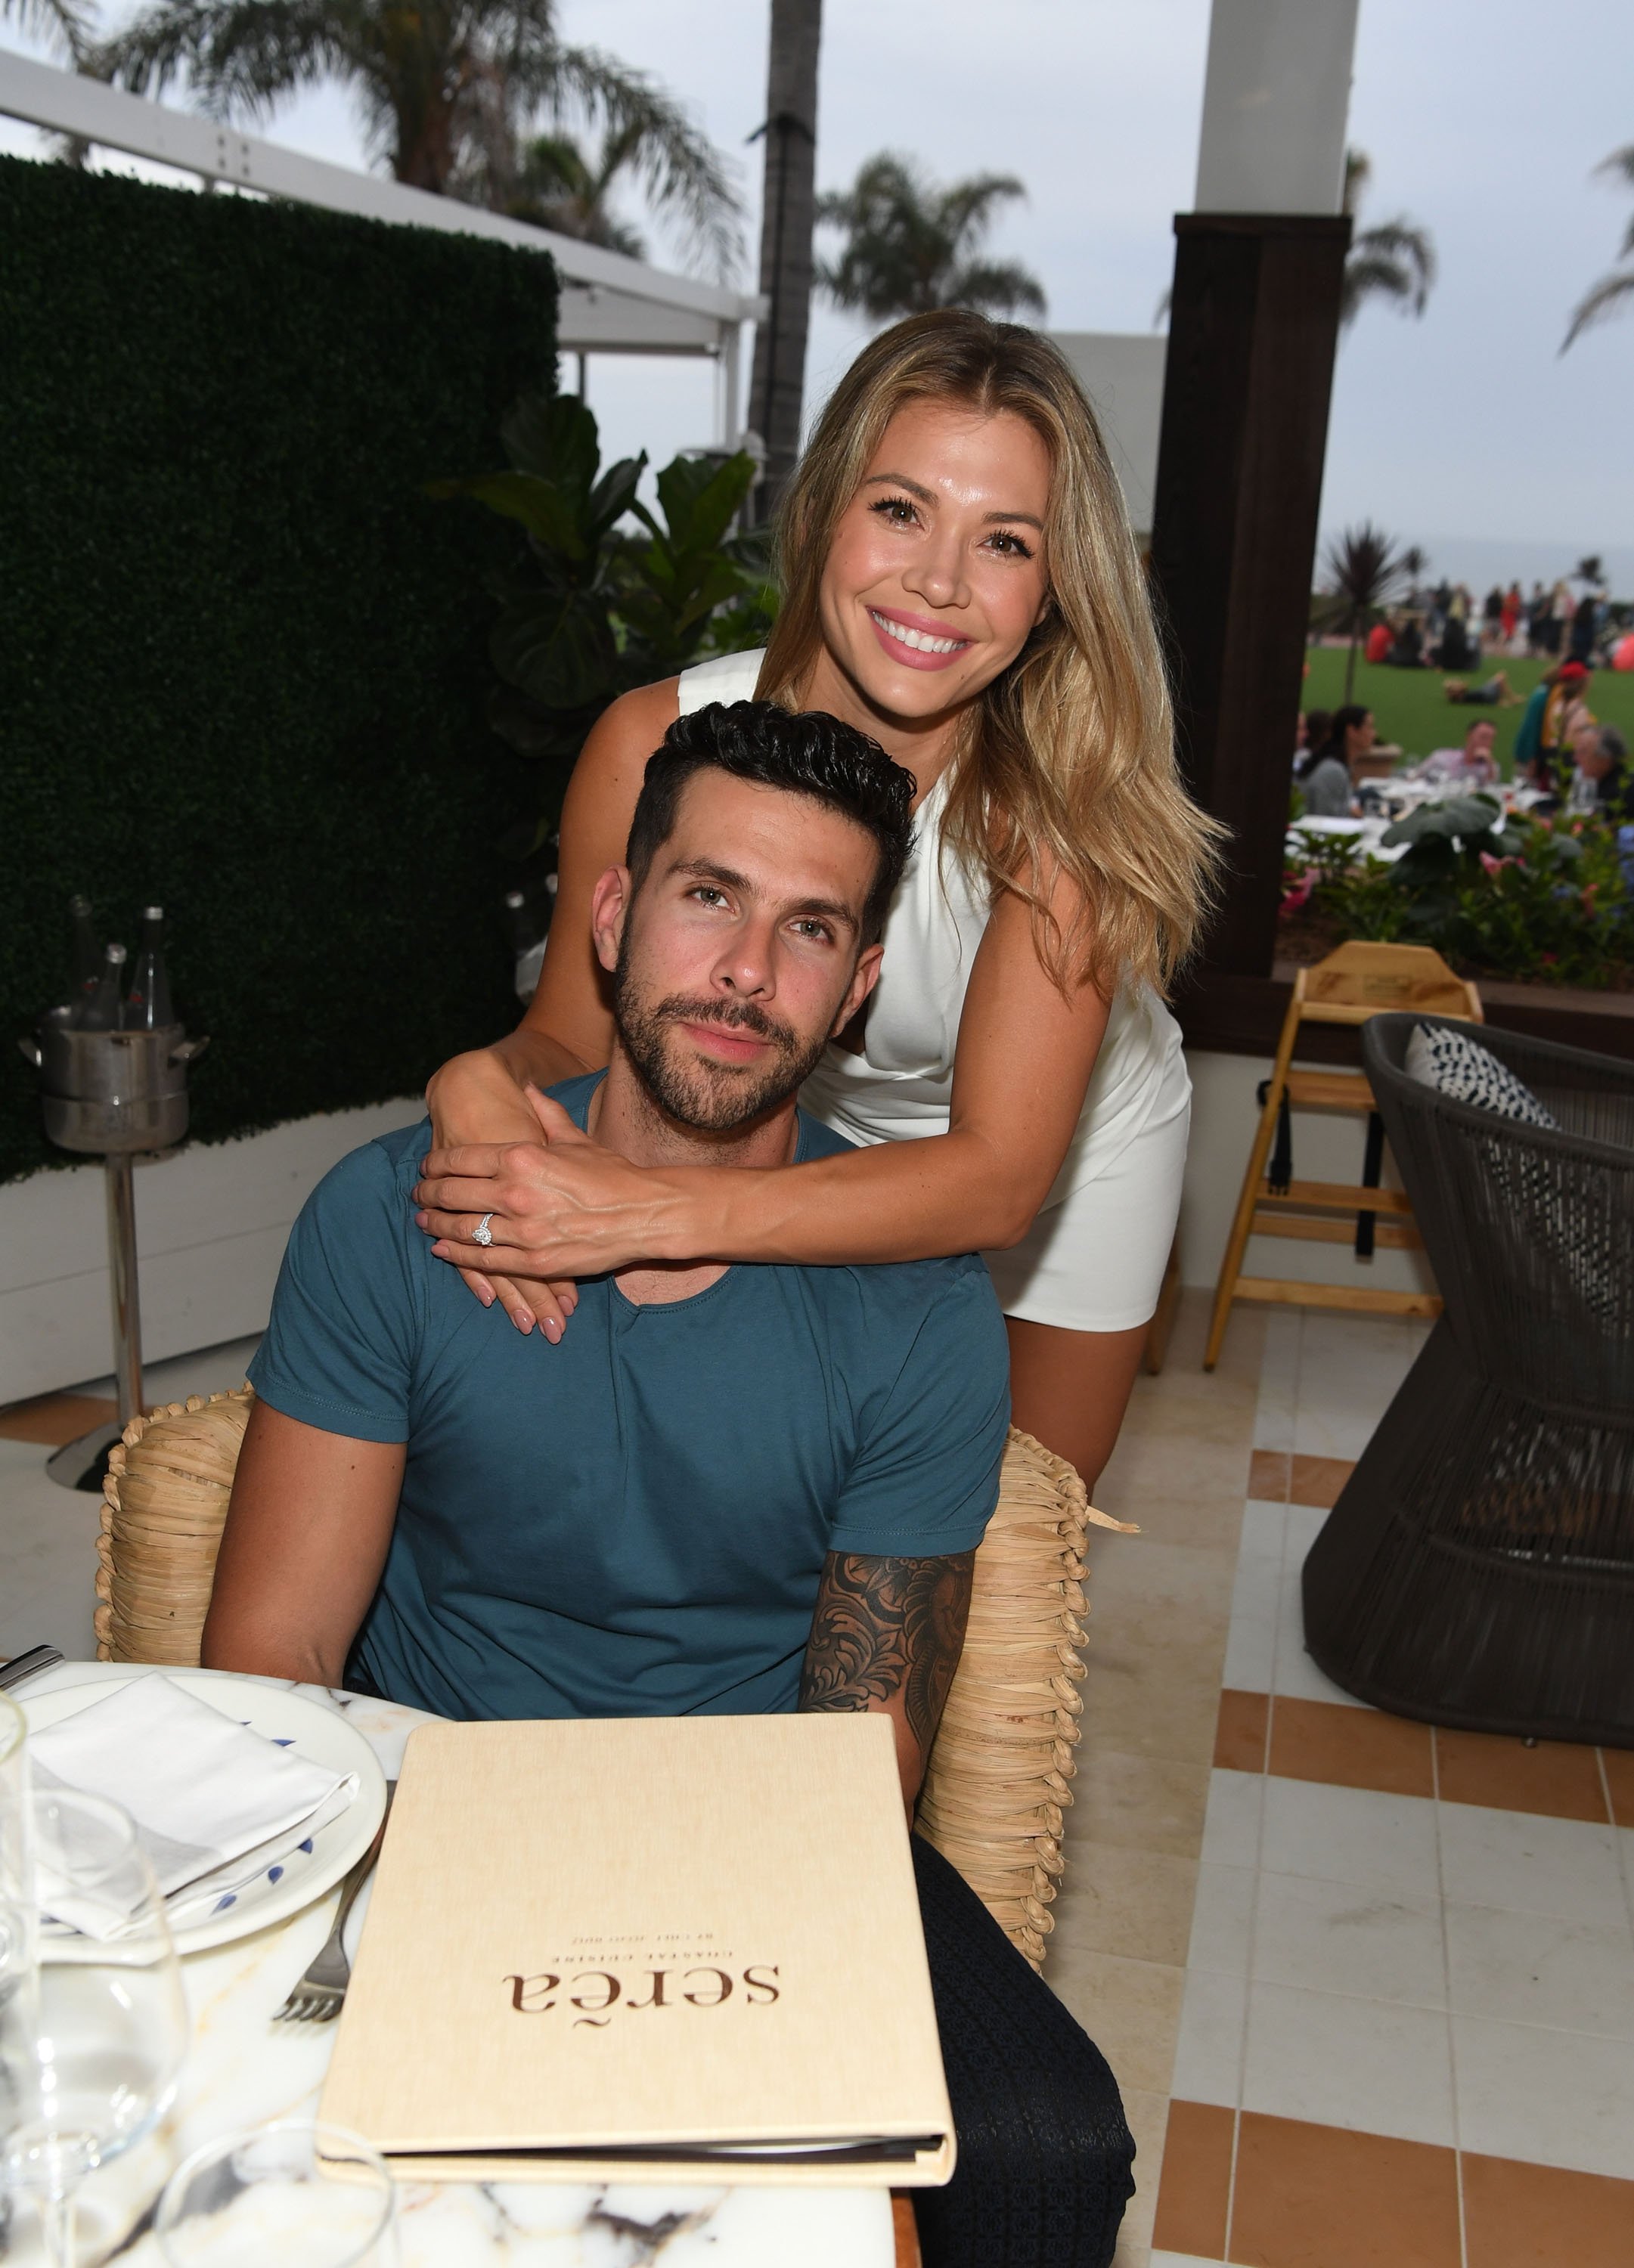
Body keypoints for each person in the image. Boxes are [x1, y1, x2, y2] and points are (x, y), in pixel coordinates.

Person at [206, 699, 1137, 2268]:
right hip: (424, 1805)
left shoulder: (916, 1308)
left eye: (809, 930)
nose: (745, 974)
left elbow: (862, 1755)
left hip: (750, 1838)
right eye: (709, 898)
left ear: (854, 993)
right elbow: (273, 1662)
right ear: (618, 917)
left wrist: (657, 1965)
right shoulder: (399, 1217)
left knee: (1047, 2146)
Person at [415, 311, 1224, 1492]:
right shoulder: (654, 740)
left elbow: (998, 1177)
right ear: (822, 515)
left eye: (1005, 542)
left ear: (1055, 589)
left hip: (1058, 1159)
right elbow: (569, 1036)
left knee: (1005, 1542)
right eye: (900, 510)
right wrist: (472, 1078)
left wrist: (651, 1210)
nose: (939, 584)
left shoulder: (1063, 817)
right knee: (769, 1501)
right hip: (804, 1116)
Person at [1295, 705, 1372, 816]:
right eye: (1369, 727)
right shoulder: (1333, 770)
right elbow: (1327, 816)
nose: (1374, 734)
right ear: (1351, 731)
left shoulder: (1333, 764)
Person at [1571, 723, 1634, 822]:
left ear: (1605, 759)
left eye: (1583, 752)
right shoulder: (1593, 783)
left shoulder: (1622, 794)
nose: (1576, 759)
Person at [1420, 718, 1499, 787]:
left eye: (1492, 739)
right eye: (1484, 737)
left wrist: (1489, 764)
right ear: (1469, 736)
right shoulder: (1442, 757)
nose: (1488, 743)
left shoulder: (1490, 767)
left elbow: (1492, 789)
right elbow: (1416, 777)